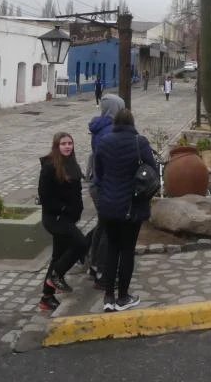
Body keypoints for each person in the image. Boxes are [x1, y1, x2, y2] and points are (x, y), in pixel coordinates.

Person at [94, 108, 156, 312]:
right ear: (132, 122)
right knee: (127, 250)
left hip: (109, 205)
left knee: (112, 249)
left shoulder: (104, 142)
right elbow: (152, 169)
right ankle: (123, 296)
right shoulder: (140, 142)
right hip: (133, 205)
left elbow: (99, 173)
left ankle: (108, 296)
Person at [37, 132, 87, 312]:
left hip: (69, 218)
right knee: (81, 243)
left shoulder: (72, 164)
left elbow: (76, 192)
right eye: (63, 144)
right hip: (55, 218)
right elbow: (45, 196)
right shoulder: (50, 167)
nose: (67, 146)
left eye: (70, 143)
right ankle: (57, 275)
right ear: (56, 146)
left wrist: (77, 211)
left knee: (58, 255)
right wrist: (64, 209)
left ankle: (47, 297)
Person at [85, 93, 125, 286]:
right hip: (105, 185)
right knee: (108, 229)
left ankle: (93, 263)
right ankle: (102, 270)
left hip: (98, 182)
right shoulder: (109, 131)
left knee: (101, 226)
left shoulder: (100, 126)